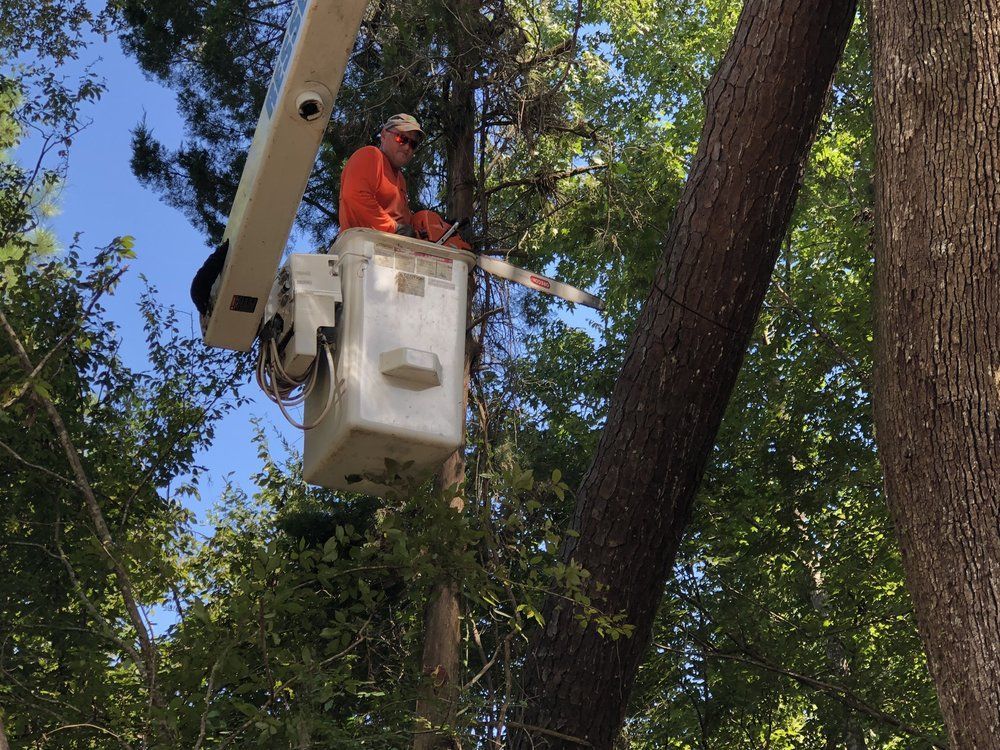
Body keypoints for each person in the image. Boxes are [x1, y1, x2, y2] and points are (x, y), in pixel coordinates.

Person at [338, 113, 424, 236]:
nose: (407, 147)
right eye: (402, 138)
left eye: (413, 144)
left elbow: (403, 220)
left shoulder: (401, 179)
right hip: (362, 246)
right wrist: (394, 228)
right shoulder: (371, 155)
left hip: (390, 249)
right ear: (383, 135)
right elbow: (355, 195)